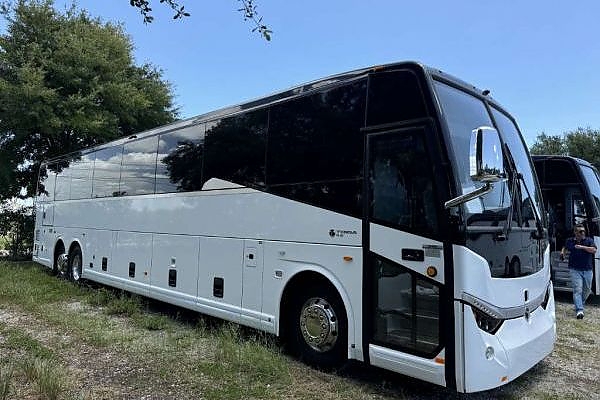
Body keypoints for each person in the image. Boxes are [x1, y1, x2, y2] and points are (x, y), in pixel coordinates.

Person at [561, 224, 596, 319]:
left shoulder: (589, 240)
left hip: (588, 270)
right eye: (580, 231)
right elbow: (565, 247)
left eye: (583, 231)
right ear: (575, 232)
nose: (582, 233)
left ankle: (580, 302)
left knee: (587, 289)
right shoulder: (570, 241)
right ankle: (579, 310)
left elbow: (594, 250)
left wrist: (581, 247)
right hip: (574, 269)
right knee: (577, 290)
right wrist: (562, 253)